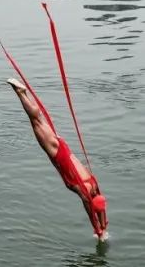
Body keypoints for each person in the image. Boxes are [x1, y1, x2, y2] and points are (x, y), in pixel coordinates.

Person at [6, 78, 108, 241]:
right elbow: (90, 209)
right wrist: (97, 230)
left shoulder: (95, 185)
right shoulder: (87, 192)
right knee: (36, 121)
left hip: (64, 149)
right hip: (57, 153)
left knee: (38, 120)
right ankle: (20, 93)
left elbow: (100, 209)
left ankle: (22, 93)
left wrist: (102, 226)